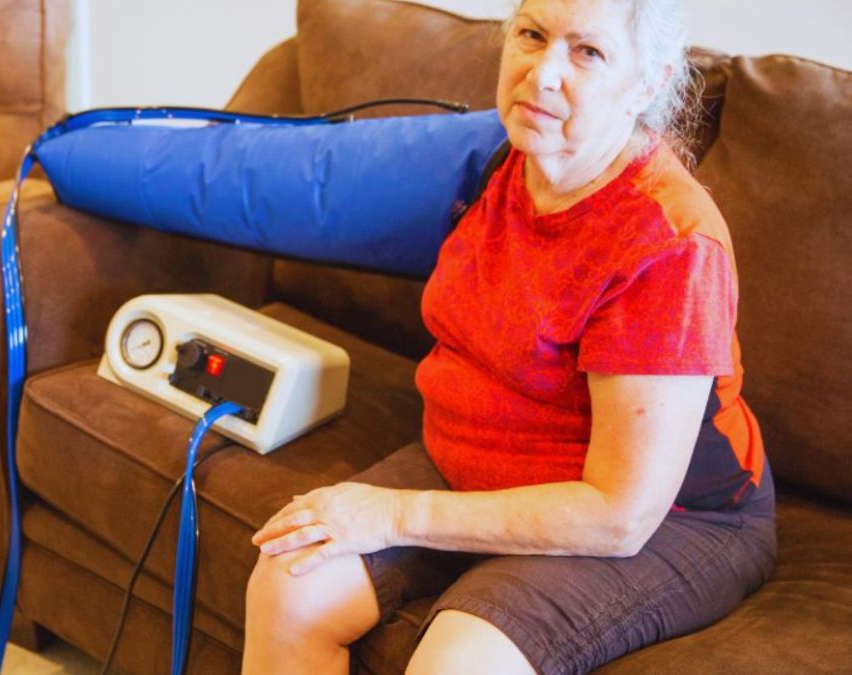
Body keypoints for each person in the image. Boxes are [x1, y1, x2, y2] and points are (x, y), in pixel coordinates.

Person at [241, 0, 776, 673]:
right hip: (478, 463)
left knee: (454, 665)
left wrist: (393, 514)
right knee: (291, 578)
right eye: (531, 34)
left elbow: (620, 513)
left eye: (588, 52)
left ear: (647, 83)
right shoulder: (503, 158)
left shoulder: (668, 245)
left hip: (664, 519)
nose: (542, 72)